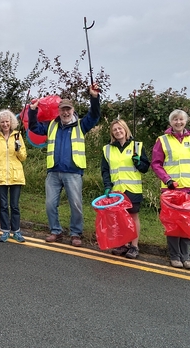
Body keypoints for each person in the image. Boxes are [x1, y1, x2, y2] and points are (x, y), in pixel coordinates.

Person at [28, 85, 100, 247]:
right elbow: (33, 127)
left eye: (68, 110)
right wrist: (33, 111)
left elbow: (94, 115)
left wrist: (94, 98)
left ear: (73, 110)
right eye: (62, 110)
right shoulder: (51, 125)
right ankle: (56, 231)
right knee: (49, 204)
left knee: (76, 204)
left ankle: (76, 233)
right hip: (53, 172)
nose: (65, 113)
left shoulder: (81, 125)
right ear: (58, 111)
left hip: (73, 172)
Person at [101, 119, 149, 259]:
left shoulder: (137, 146)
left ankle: (134, 246)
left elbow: (145, 168)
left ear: (125, 129)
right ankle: (123, 244)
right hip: (117, 189)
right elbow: (105, 171)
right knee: (120, 217)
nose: (118, 131)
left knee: (133, 216)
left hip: (132, 189)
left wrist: (139, 162)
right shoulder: (107, 149)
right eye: (115, 130)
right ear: (112, 133)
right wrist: (107, 186)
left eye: (120, 128)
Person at [151, 109, 190, 269]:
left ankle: (186, 256)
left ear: (185, 121)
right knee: (173, 224)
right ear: (171, 122)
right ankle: (175, 256)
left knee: (187, 224)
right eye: (175, 120)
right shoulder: (163, 140)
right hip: (171, 190)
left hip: (188, 188)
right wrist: (167, 180)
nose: (178, 122)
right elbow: (156, 163)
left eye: (181, 119)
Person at [0, 110, 27, 243]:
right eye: (2, 122)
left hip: (16, 175)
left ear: (11, 122)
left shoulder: (17, 136)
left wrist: (18, 148)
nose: (5, 124)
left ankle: (16, 231)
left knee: (14, 205)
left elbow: (23, 157)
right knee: (3, 205)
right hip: (0, 176)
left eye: (7, 121)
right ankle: (5, 231)